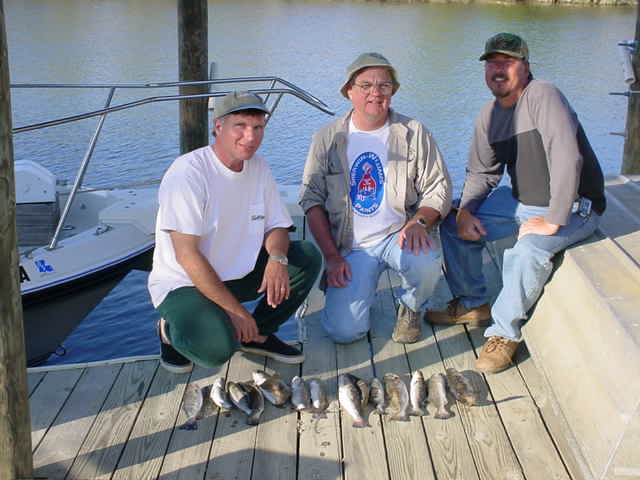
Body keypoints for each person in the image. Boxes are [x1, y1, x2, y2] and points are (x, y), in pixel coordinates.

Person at [426, 33, 606, 373]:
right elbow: (482, 174)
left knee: (528, 251)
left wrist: (554, 218)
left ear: (525, 66)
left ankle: (504, 334)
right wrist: (466, 211)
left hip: (575, 205)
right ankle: (472, 303)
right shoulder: (489, 116)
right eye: (492, 63)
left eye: (507, 62)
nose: (498, 70)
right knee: (451, 222)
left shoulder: (544, 95)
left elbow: (567, 156)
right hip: (522, 202)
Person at [148, 91, 322, 373]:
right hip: (186, 283)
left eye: (258, 128)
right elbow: (187, 255)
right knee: (217, 350)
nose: (250, 137)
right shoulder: (188, 173)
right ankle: (168, 330)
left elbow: (278, 225)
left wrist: (277, 258)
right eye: (240, 126)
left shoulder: (259, 167)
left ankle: (258, 335)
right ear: (218, 126)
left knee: (305, 256)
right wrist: (237, 312)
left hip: (236, 274)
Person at [299, 52, 452, 345]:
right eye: (366, 85)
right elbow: (311, 199)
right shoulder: (326, 138)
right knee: (344, 332)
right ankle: (355, 293)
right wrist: (332, 257)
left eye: (384, 85)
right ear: (349, 91)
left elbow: (438, 187)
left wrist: (419, 222)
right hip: (352, 246)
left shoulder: (414, 132)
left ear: (392, 91)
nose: (375, 93)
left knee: (426, 262)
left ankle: (411, 307)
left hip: (400, 233)